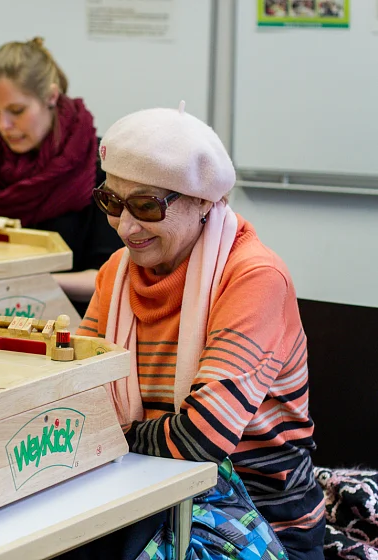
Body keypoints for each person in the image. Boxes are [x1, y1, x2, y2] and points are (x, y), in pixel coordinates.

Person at [69, 103, 324, 559]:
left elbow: (199, 439)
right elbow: (72, 394)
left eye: (146, 205)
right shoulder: (116, 274)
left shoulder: (255, 278)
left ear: (204, 200)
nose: (125, 226)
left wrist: (111, 432)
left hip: (257, 521)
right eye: (111, 202)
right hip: (139, 496)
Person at [0, 38, 124, 316]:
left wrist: (29, 282)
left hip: (79, 321)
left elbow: (109, 276)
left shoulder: (100, 165)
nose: (3, 125)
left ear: (51, 97)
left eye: (17, 111)